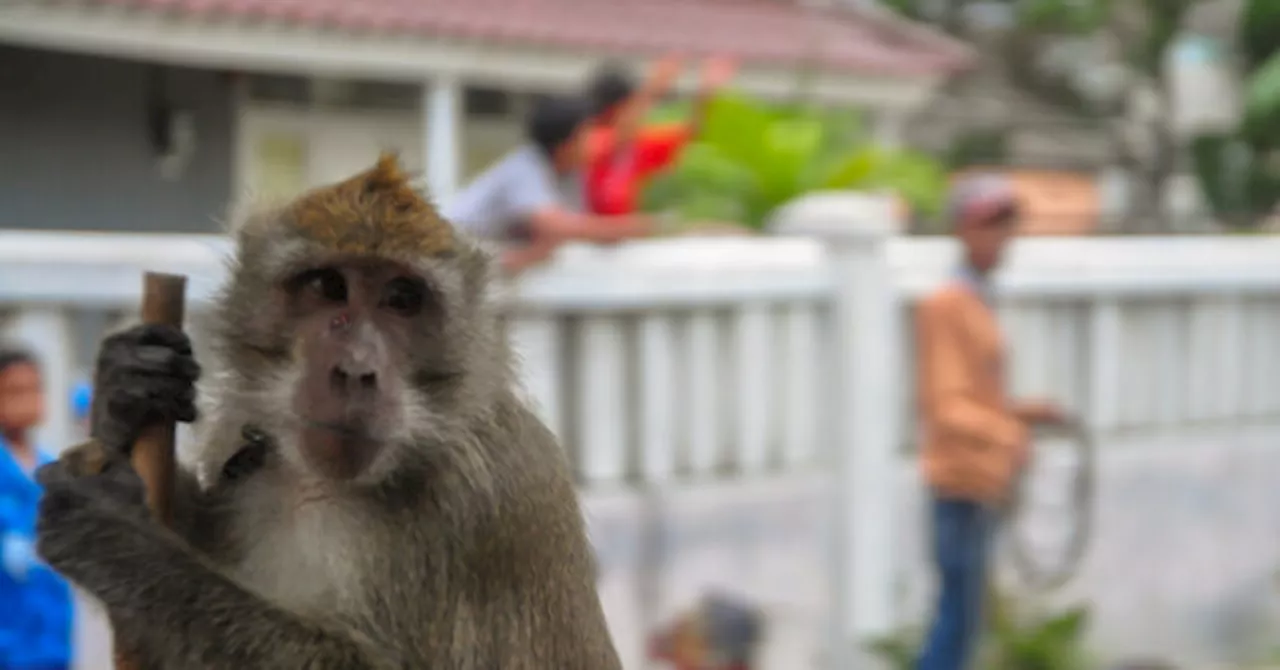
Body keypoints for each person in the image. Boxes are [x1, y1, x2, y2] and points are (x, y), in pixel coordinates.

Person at [913, 174, 1067, 670]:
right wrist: (1007, 433)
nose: (1001, 237)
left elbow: (977, 395)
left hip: (983, 480)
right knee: (956, 618)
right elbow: (946, 405)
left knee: (967, 617)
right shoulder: (948, 303)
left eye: (1006, 224)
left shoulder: (977, 298)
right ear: (962, 230)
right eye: (989, 225)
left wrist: (1025, 411)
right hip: (959, 479)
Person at [441, 94, 654, 274]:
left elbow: (571, 229)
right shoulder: (525, 168)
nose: (594, 140)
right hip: (446, 255)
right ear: (566, 144)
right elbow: (557, 226)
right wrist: (640, 227)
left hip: (479, 263)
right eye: (587, 134)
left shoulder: (569, 174)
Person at [583, 55, 737, 216]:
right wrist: (653, 90)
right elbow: (618, 138)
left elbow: (692, 131)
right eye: (630, 104)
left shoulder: (638, 146)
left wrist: (708, 93)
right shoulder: (589, 141)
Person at [0, 346, 74, 670]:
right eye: (14, 391)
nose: (27, 400)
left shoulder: (50, 470)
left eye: (34, 389)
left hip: (51, 644)